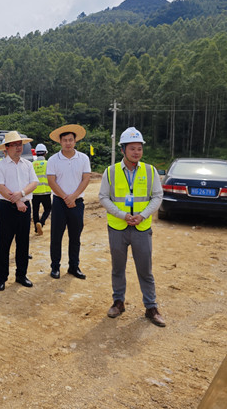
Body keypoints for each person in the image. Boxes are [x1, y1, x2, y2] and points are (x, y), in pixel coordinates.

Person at [99, 127, 166, 327]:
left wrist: (142, 215)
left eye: (139, 148)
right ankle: (118, 302)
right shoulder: (110, 172)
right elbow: (103, 197)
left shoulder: (150, 171)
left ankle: (151, 307)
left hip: (141, 228)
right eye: (132, 148)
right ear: (123, 150)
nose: (136, 152)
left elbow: (157, 196)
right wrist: (122, 215)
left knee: (145, 269)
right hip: (117, 228)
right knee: (118, 268)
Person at [0, 131, 38, 291]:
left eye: (20, 144)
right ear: (7, 147)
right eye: (15, 145)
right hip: (7, 208)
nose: (18, 147)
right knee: (4, 244)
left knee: (23, 243)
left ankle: (21, 274)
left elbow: (34, 183)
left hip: (25, 207)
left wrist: (22, 194)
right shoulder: (0, 165)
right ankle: (1, 277)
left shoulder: (28, 164)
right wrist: (17, 200)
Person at [47, 124, 91, 280]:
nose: (68, 143)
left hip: (77, 203)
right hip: (59, 202)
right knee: (56, 236)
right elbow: (51, 181)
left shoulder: (83, 158)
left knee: (75, 236)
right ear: (60, 142)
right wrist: (66, 197)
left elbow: (86, 179)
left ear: (75, 141)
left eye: (70, 140)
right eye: (65, 140)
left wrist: (73, 197)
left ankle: (74, 266)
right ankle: (55, 267)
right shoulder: (53, 160)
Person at [32, 143, 51, 236]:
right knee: (48, 208)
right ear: (45, 153)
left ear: (36, 153)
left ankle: (36, 229)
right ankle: (41, 222)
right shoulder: (48, 164)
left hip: (34, 192)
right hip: (45, 191)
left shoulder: (32, 164)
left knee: (35, 211)